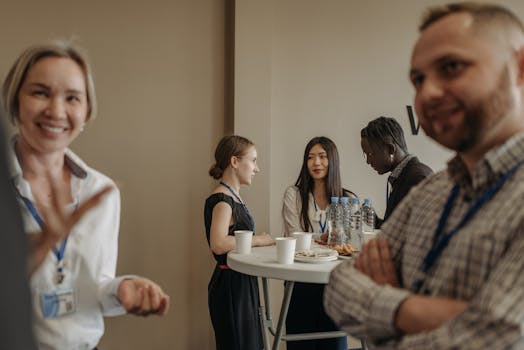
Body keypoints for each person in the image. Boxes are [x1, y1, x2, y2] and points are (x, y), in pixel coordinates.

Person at [324, 2, 524, 348]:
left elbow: (498, 336)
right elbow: (339, 288)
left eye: (451, 67)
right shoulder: (431, 192)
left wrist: (385, 313)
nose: (427, 92)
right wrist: (421, 312)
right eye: (418, 79)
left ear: (519, 69)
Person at [2, 41, 170, 350]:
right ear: (15, 100)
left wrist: (121, 290)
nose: (56, 110)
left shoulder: (101, 192)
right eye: (40, 92)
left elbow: (95, 287)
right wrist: (28, 254)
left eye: (72, 98)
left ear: (86, 111)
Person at [282, 136, 355, 350]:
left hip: (335, 285)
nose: (316, 163)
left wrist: (317, 239)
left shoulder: (348, 200)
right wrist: (323, 239)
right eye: (311, 157)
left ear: (332, 161)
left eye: (322, 157)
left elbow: (349, 245)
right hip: (300, 283)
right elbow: (294, 236)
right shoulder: (294, 195)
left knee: (334, 344)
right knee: (300, 343)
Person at [204, 135, 274, 350]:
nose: (256, 168)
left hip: (240, 282)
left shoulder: (233, 198)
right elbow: (218, 243)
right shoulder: (223, 201)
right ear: (234, 162)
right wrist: (260, 240)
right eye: (253, 160)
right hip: (231, 285)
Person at [361, 116, 433, 228]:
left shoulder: (417, 178)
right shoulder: (404, 175)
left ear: (390, 149)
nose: (368, 161)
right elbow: (396, 231)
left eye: (370, 154)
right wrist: (374, 221)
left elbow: (412, 234)